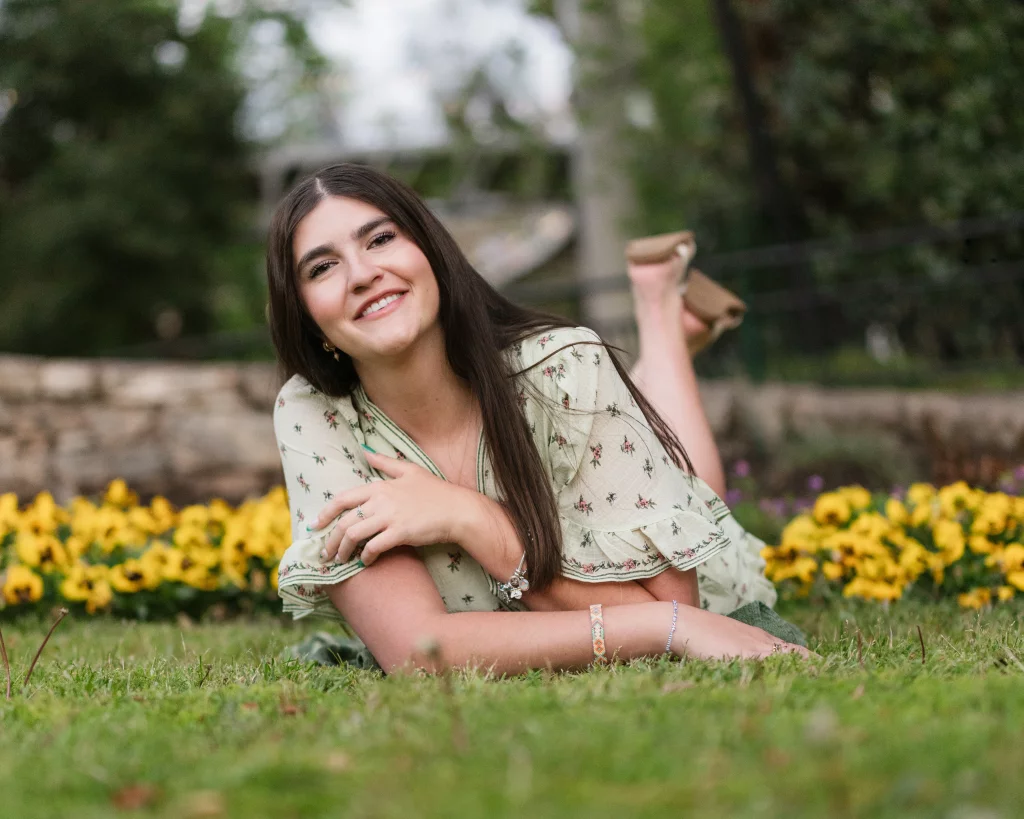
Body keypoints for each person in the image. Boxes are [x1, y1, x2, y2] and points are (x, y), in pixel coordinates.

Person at [266, 163, 807, 675]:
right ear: (307, 318)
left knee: (690, 486)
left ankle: (661, 316)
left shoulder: (564, 364)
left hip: (711, 575)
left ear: (431, 251)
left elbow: (678, 603)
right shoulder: (313, 414)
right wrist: (660, 627)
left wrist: (470, 518)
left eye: (380, 239)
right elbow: (419, 651)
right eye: (323, 267)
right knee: (669, 467)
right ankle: (668, 334)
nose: (362, 274)